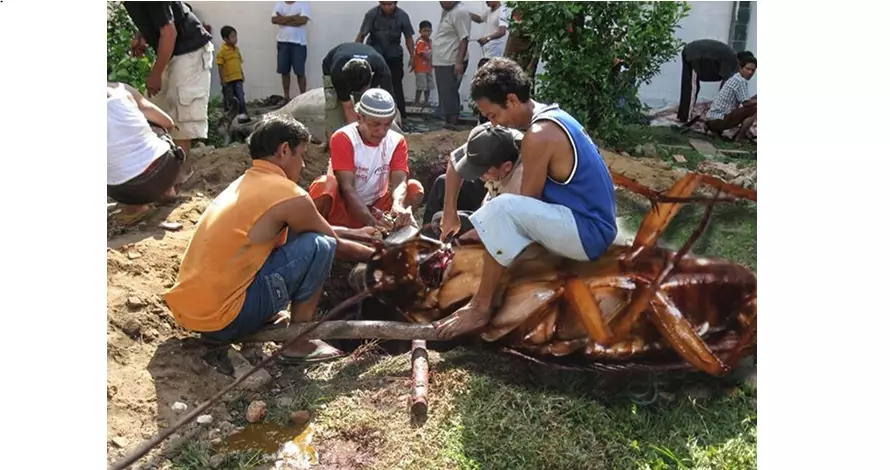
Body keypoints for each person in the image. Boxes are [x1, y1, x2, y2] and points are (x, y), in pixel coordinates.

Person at [164, 115, 377, 363]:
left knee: (312, 239)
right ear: (284, 150)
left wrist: (357, 234)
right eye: (302, 155)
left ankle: (263, 314)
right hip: (224, 320)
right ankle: (298, 342)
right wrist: (384, 256)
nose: (304, 165)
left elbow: (310, 224)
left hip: (196, 315)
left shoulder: (244, 185)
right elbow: (331, 241)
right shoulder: (287, 193)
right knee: (322, 245)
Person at [434, 57, 618, 339]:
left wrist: (486, 232)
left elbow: (525, 205)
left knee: (502, 209)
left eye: (494, 115)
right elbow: (457, 160)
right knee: (500, 215)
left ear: (511, 100)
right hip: (586, 220)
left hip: (588, 232)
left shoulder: (539, 135)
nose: (493, 123)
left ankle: (480, 307)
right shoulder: (549, 116)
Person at [123, 1, 214, 185]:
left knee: (180, 112)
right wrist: (143, 36)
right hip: (172, 50)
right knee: (157, 110)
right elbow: (158, 19)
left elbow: (169, 32)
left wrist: (156, 74)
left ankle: (181, 173)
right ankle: (165, 173)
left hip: (190, 49)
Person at [309, 89, 424, 231]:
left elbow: (400, 181)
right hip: (345, 208)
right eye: (375, 124)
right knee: (325, 185)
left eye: (387, 124)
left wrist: (398, 205)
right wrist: (372, 223)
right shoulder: (344, 138)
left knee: (414, 188)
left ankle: (390, 231)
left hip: (377, 206)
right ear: (359, 118)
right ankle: (319, 232)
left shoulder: (396, 140)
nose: (382, 131)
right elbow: (347, 188)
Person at [422, 122, 524, 237]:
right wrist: (449, 212)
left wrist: (475, 235)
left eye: (484, 172)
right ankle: (426, 241)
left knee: (439, 221)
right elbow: (454, 163)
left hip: (505, 223)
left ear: (507, 167)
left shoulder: (522, 179)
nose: (479, 176)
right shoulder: (489, 138)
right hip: (489, 197)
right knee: (442, 183)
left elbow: (510, 229)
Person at [107, 81, 186, 225]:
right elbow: (168, 123)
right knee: (155, 125)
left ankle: (135, 207)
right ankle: (168, 190)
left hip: (123, 192)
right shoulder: (121, 89)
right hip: (165, 171)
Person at [321, 42, 396, 146]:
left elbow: (390, 105)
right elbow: (348, 108)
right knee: (333, 106)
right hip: (330, 66)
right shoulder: (338, 73)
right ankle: (332, 143)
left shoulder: (381, 69)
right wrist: (358, 142)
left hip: (365, 67)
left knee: (364, 106)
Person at [356, 1, 415, 120]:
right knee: (369, 85)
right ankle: (365, 115)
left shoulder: (402, 16)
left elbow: (408, 37)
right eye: (384, 4)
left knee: (396, 85)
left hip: (394, 56)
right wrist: (357, 55)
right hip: (374, 55)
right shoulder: (371, 14)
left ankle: (400, 117)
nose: (387, 7)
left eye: (390, 4)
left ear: (396, 3)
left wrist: (413, 57)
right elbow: (361, 35)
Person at [677, 39, 745, 123]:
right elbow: (726, 87)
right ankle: (686, 118)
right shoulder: (733, 62)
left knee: (690, 85)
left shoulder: (730, 57)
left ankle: (683, 115)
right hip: (695, 54)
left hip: (693, 51)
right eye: (748, 68)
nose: (750, 72)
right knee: (692, 88)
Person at [433, 1, 472, 129]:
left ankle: (452, 126)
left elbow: (464, 39)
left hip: (451, 61)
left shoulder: (459, 12)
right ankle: (447, 123)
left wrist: (459, 62)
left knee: (449, 93)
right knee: (445, 94)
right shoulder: (448, 11)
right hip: (443, 60)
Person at [469, 1, 509, 124]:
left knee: (488, 87)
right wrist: (466, 13)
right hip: (486, 54)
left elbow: (502, 31)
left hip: (494, 56)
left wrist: (488, 38)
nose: (486, 1)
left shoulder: (502, 11)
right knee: (483, 86)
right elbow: (480, 19)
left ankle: (489, 120)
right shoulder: (489, 11)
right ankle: (484, 119)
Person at [705, 55, 757, 142]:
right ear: (741, 67)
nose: (750, 72)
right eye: (748, 69)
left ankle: (714, 130)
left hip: (712, 118)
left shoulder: (735, 77)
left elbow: (745, 100)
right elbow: (746, 104)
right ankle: (738, 138)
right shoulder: (741, 81)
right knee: (754, 110)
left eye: (753, 70)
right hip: (718, 120)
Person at [271, 1, 311, 101]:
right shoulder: (279, 3)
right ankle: (286, 97)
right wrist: (293, 17)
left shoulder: (303, 3)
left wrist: (283, 19)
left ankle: (303, 98)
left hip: (298, 43)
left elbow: (303, 20)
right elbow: (274, 20)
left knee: (300, 72)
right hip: (282, 42)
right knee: (284, 71)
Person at [216, 25, 248, 118]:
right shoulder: (222, 52)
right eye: (232, 36)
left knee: (240, 97)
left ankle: (242, 115)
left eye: (235, 36)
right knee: (229, 99)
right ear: (225, 39)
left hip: (238, 78)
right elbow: (220, 66)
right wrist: (222, 79)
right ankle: (229, 116)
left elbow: (239, 63)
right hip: (228, 80)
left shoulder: (236, 49)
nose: (235, 39)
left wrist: (242, 74)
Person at [413, 20, 434, 106]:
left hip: (428, 68)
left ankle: (426, 101)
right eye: (425, 31)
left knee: (428, 86)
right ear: (420, 31)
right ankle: (417, 101)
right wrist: (431, 58)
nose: (427, 33)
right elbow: (421, 53)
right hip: (420, 69)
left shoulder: (430, 41)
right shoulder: (420, 42)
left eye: (429, 31)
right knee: (421, 86)